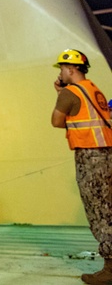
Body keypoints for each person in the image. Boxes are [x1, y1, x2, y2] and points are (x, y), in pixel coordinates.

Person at [51, 48, 112, 285]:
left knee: (100, 212)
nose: (61, 74)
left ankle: (110, 268)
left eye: (62, 69)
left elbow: (56, 121)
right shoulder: (93, 89)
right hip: (107, 153)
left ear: (70, 69)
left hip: (90, 157)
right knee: (108, 206)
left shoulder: (69, 93)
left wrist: (61, 94)